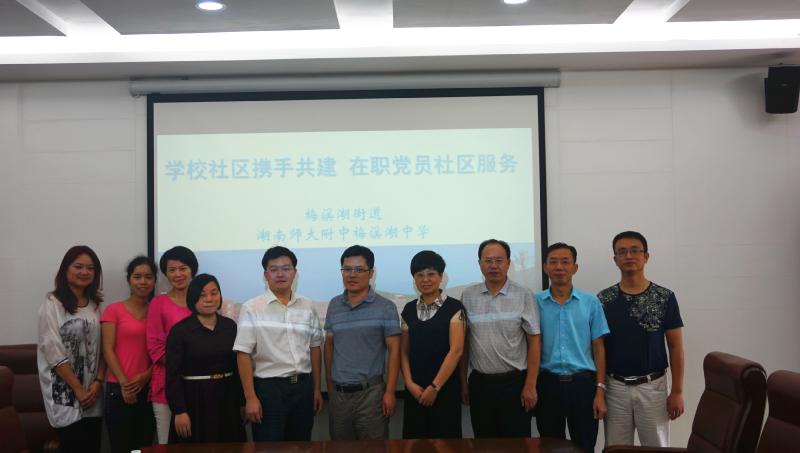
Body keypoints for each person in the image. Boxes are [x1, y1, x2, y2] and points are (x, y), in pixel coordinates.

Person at [598, 231, 685, 448]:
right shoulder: (603, 299)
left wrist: (677, 391)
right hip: (615, 388)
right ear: (615, 259)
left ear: (646, 256)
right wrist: (600, 390)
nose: (629, 256)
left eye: (635, 250)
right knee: (616, 449)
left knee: (657, 448)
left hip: (653, 387)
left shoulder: (664, 297)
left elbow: (676, 347)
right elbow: (599, 349)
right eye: (622, 252)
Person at [234, 246, 324, 441]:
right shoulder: (252, 308)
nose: (280, 274)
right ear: (265, 275)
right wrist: (250, 397)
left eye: (286, 268)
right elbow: (243, 354)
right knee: (269, 446)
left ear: (295, 273)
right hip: (269, 391)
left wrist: (316, 389)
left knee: (302, 445)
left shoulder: (307, 306)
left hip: (303, 388)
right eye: (274, 269)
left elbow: (315, 348)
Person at [460, 239, 540, 438]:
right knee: (484, 444)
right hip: (480, 384)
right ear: (479, 264)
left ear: (508, 263)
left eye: (499, 260)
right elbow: (465, 343)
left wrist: (530, 385)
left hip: (515, 384)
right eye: (488, 261)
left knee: (518, 444)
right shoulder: (468, 296)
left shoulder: (524, 295)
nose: (493, 266)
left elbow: (534, 341)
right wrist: (463, 381)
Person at [534, 243, 609, 453]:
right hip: (547, 384)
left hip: (583, 385)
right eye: (553, 262)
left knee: (584, 446)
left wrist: (600, 392)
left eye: (565, 262)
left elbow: (599, 349)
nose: (559, 267)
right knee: (549, 446)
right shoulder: (534, 302)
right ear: (545, 267)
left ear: (575, 268)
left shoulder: (590, 302)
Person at [324, 245, 401, 440]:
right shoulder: (334, 305)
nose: (352, 275)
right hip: (339, 396)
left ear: (371, 273)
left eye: (359, 269)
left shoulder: (386, 307)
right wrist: (330, 387)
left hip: (372, 395)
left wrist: (390, 392)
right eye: (347, 269)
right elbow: (329, 346)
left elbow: (394, 351)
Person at [37, 245, 106, 453]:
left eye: (90, 268)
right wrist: (77, 388)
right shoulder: (52, 304)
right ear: (65, 269)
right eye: (78, 266)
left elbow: (103, 347)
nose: (85, 272)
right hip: (64, 392)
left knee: (92, 448)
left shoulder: (95, 305)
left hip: (92, 392)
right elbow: (52, 351)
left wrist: (98, 382)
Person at [165, 273, 245, 443]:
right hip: (195, 399)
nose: (209, 299)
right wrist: (179, 410)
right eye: (202, 295)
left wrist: (243, 402)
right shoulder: (180, 331)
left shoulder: (230, 327)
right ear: (192, 298)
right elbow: (173, 375)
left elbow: (238, 368)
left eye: (214, 293)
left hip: (227, 398)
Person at [400, 251, 465, 439]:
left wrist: (435, 387)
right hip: (415, 391)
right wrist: (409, 384)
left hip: (444, 390)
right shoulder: (408, 309)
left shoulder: (455, 307)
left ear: (441, 276)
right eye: (419, 275)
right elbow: (404, 352)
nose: (425, 279)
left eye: (431, 274)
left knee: (446, 444)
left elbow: (456, 351)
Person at [100, 256, 157, 453]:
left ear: (155, 281)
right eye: (137, 276)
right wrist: (125, 385)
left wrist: (147, 375)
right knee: (121, 447)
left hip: (148, 387)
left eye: (148, 277)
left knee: (143, 447)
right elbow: (107, 349)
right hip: (118, 388)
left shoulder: (157, 311)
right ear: (129, 280)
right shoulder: (114, 310)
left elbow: (161, 351)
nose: (143, 282)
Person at [145, 245, 196, 444]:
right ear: (165, 274)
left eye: (183, 268)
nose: (178, 274)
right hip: (167, 384)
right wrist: (185, 365)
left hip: (199, 385)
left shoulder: (204, 300)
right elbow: (155, 347)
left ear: (192, 270)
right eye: (172, 270)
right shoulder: (159, 303)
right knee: (167, 443)